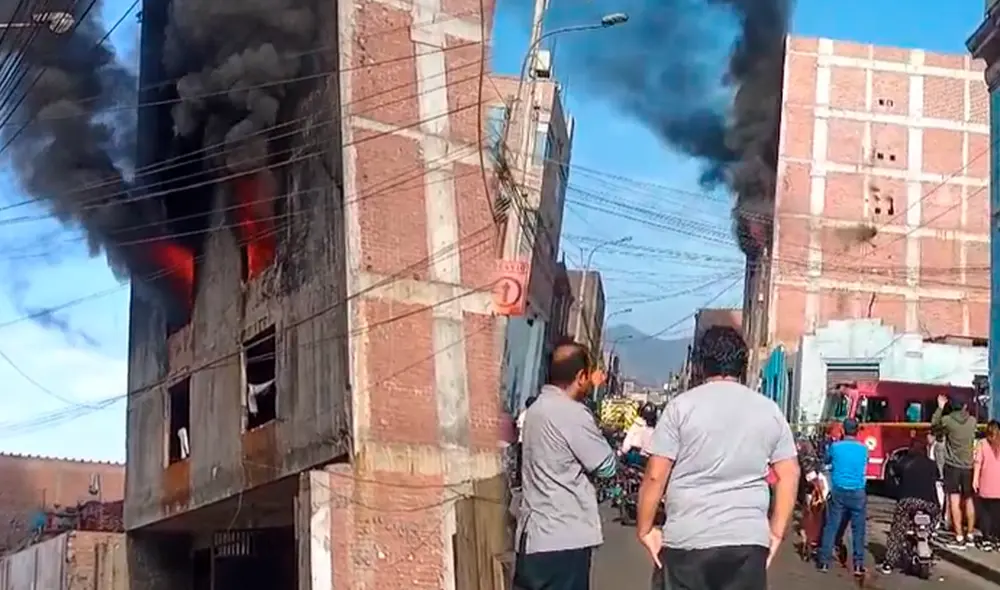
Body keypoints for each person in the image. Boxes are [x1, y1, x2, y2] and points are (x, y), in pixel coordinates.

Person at [635, 326, 800, 590]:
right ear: (742, 366)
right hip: (747, 543)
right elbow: (789, 474)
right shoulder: (769, 411)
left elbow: (656, 475)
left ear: (701, 365)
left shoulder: (681, 407)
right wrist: (776, 531)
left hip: (688, 541)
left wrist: (644, 529)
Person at [514, 342, 617, 590]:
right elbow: (606, 466)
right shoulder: (572, 413)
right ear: (580, 377)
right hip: (564, 538)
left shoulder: (535, 409)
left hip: (533, 536)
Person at [879, 437, 941, 575]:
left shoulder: (904, 462)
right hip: (930, 504)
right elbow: (937, 477)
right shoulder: (931, 464)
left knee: (897, 530)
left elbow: (894, 474)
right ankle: (929, 536)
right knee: (935, 519)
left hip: (908, 501)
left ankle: (889, 562)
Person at [817, 418, 868, 575]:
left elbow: (825, 461)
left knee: (832, 525)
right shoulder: (863, 449)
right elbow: (865, 463)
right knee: (858, 530)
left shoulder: (835, 447)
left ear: (843, 430)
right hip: (858, 492)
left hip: (839, 490)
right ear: (857, 431)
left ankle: (824, 562)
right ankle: (858, 564)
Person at [932, 393, 978, 548]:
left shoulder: (947, 421)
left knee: (954, 499)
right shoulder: (972, 421)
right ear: (964, 406)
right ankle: (970, 534)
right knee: (969, 499)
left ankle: (959, 536)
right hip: (969, 466)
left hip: (952, 465)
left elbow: (934, 426)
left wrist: (940, 408)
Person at [974, 420, 1000, 551]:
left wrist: (975, 480)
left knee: (985, 514)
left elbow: (978, 463)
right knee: (998, 514)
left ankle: (986, 539)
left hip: (986, 483)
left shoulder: (982, 443)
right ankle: (998, 539)